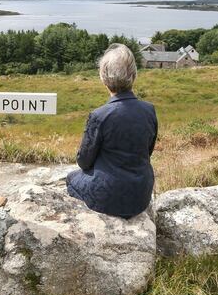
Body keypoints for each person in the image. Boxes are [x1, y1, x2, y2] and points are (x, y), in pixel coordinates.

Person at [66, 43, 158, 218]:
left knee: (71, 178)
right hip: (141, 195)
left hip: (107, 197)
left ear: (103, 77)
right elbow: (147, 151)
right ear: (134, 76)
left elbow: (84, 162)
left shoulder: (99, 115)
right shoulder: (149, 110)